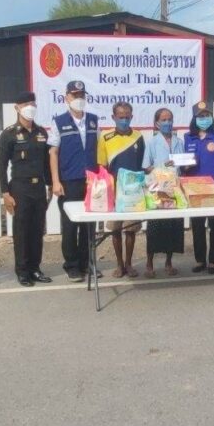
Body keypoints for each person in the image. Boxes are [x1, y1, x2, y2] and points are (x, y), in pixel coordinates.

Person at [0, 92, 54, 287]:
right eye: (25, 104)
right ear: (17, 108)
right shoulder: (9, 134)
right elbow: (2, 165)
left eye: (33, 104)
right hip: (20, 187)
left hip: (39, 187)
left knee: (37, 229)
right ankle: (22, 271)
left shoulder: (41, 132)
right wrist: (5, 193)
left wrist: (50, 184)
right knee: (21, 230)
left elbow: (46, 162)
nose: (30, 107)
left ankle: (35, 268)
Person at [49, 80, 100, 282]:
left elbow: (98, 149)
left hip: (91, 181)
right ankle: (71, 266)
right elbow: (53, 153)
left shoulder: (93, 121)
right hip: (69, 180)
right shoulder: (59, 122)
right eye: (74, 95)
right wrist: (55, 181)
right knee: (70, 225)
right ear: (66, 98)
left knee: (89, 226)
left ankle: (87, 263)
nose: (78, 98)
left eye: (81, 95)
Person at [96, 101, 145, 278]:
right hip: (114, 191)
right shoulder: (105, 137)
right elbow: (102, 165)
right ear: (113, 117)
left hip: (132, 191)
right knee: (115, 229)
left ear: (131, 117)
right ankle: (119, 264)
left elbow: (140, 164)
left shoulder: (138, 136)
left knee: (130, 229)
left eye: (127, 117)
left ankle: (129, 264)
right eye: (120, 117)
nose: (124, 120)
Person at [142, 108, 185, 278]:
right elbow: (146, 167)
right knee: (155, 227)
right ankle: (149, 263)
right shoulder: (152, 142)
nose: (168, 123)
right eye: (164, 120)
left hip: (175, 189)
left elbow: (183, 164)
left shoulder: (179, 141)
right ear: (157, 123)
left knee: (173, 226)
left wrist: (188, 162)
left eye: (170, 119)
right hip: (158, 189)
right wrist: (163, 167)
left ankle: (169, 262)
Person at [183, 101, 214, 274]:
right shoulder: (188, 137)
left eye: (207, 115)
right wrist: (184, 166)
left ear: (212, 117)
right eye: (200, 116)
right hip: (194, 188)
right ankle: (200, 260)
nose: (204, 118)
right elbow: (182, 162)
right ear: (194, 118)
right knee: (198, 225)